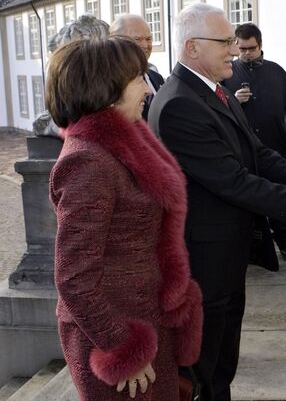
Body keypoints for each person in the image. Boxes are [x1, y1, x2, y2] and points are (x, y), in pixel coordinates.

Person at [147, 3, 286, 401]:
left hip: (227, 253)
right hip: (204, 263)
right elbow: (235, 182)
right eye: (224, 42)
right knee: (204, 367)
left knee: (224, 361)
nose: (233, 49)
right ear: (192, 47)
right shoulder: (177, 104)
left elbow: (258, 154)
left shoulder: (215, 89)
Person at [46, 36, 203, 400]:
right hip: (114, 336)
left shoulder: (122, 143)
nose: (148, 89)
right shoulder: (88, 161)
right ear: (108, 88)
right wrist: (122, 347)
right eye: (137, 79)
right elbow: (73, 278)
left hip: (144, 320)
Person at [222, 23, 286, 261]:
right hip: (241, 150)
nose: (245, 53)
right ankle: (252, 249)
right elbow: (215, 110)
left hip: (275, 147)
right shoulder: (227, 74)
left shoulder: (277, 72)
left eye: (251, 48)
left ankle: (284, 240)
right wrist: (233, 101)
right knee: (247, 202)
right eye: (241, 48)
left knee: (280, 198)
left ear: (260, 46)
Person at [110, 14, 165, 121]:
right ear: (116, 41)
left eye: (148, 39)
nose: (145, 45)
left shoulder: (156, 77)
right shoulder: (111, 83)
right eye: (138, 39)